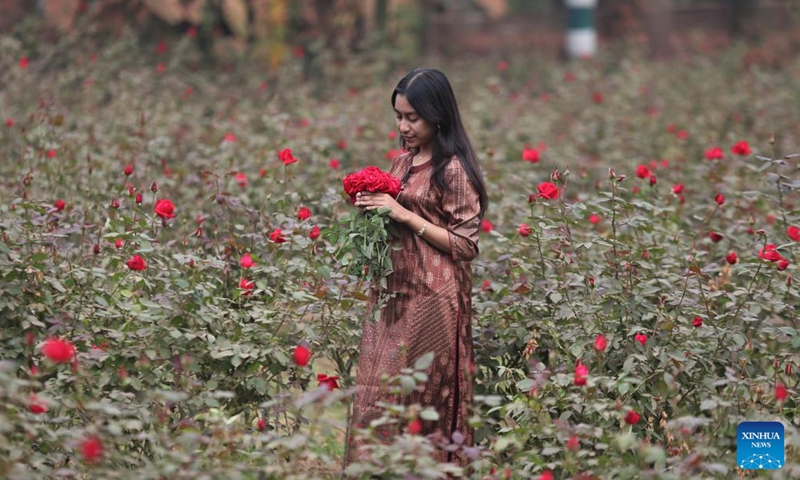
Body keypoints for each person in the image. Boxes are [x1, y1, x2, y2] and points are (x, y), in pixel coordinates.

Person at [346, 67, 488, 467]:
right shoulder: (403, 162)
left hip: (432, 299)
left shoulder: (453, 169)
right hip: (394, 293)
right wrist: (370, 208)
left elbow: (465, 244)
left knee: (418, 397)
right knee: (377, 394)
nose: (403, 125)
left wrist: (405, 215)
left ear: (437, 115)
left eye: (413, 117)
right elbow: (393, 215)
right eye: (398, 116)